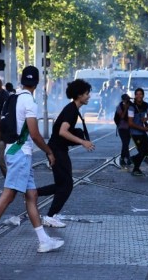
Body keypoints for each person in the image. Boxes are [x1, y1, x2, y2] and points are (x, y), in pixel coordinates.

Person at [0, 66, 64, 254]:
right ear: (37, 83)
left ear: (22, 81)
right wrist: (49, 152)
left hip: (12, 151)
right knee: (9, 195)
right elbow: (35, 134)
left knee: (32, 195)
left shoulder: (10, 99)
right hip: (21, 153)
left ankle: (44, 240)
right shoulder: (30, 102)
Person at [37, 79, 95, 228]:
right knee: (67, 185)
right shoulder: (71, 111)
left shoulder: (72, 109)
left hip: (58, 149)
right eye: (87, 94)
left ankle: (32, 193)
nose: (89, 96)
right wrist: (83, 142)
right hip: (57, 150)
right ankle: (50, 216)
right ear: (79, 95)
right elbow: (63, 132)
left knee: (62, 184)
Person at [128, 88, 148, 176]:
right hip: (135, 133)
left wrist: (146, 118)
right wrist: (143, 129)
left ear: (143, 95)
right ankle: (136, 169)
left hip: (142, 132)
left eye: (140, 94)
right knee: (142, 151)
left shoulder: (146, 105)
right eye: (137, 94)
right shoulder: (132, 107)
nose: (139, 96)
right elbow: (130, 123)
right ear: (135, 95)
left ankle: (133, 158)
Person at [116, 93, 132, 167]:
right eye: (127, 100)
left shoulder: (131, 106)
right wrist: (126, 108)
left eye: (128, 99)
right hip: (121, 128)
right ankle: (125, 158)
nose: (128, 101)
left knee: (126, 144)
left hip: (129, 127)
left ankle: (125, 158)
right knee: (125, 143)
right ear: (123, 100)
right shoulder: (119, 106)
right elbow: (122, 116)